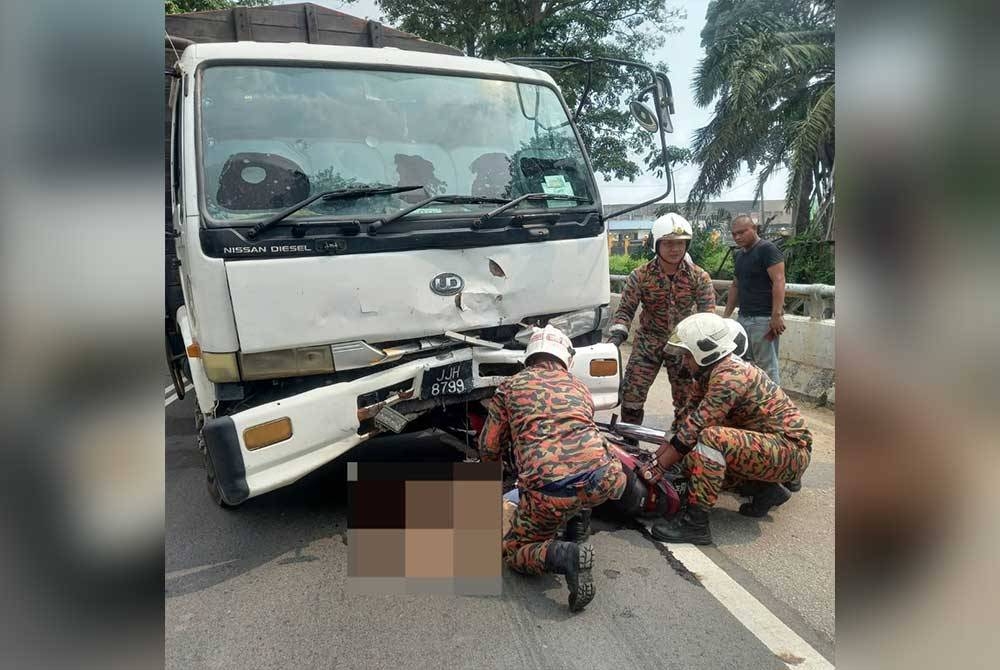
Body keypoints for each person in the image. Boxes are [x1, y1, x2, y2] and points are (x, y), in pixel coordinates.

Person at [479, 325, 627, 612]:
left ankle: (567, 555)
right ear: (565, 359)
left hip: (550, 489)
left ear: (529, 357)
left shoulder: (509, 387)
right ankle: (578, 525)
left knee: (514, 551)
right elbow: (581, 436)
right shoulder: (579, 386)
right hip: (607, 478)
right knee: (583, 466)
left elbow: (489, 446)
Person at [647, 313, 812, 545]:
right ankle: (764, 490)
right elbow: (684, 422)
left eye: (687, 356)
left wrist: (657, 469)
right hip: (768, 446)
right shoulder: (707, 376)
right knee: (692, 461)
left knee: (710, 439)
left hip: (790, 450)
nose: (684, 362)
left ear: (705, 351)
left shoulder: (729, 375)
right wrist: (653, 462)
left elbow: (696, 428)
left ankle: (695, 524)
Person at [607, 212, 716, 429]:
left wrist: (706, 347)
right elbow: (626, 309)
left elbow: (708, 315)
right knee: (631, 398)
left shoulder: (699, 276)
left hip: (683, 347)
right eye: (668, 244)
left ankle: (680, 447)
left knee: (688, 402)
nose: (675, 249)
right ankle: (631, 440)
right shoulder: (640, 275)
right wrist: (617, 334)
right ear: (656, 245)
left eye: (680, 243)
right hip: (648, 344)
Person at [723, 214, 786, 386]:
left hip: (764, 320)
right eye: (734, 234)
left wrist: (776, 315)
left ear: (755, 229)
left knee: (767, 367)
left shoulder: (767, 249)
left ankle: (774, 408)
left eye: (742, 232)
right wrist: (726, 317)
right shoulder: (740, 256)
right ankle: (752, 407)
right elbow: (735, 286)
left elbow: (779, 280)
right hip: (743, 318)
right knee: (744, 366)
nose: (737, 237)